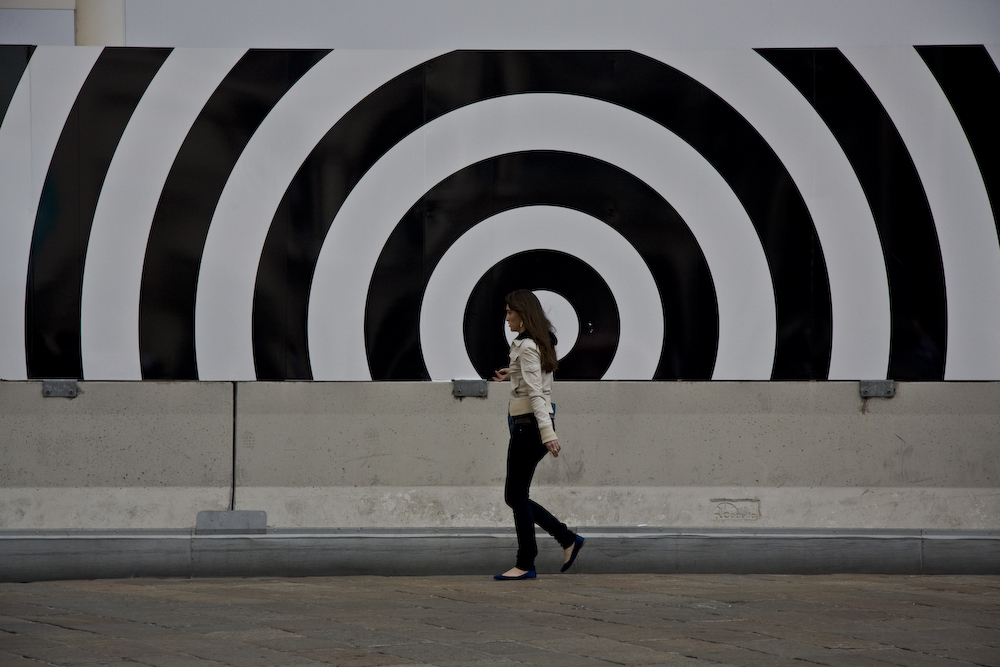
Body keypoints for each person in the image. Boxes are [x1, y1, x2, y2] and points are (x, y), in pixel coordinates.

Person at [491, 289, 585, 580]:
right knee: (516, 496)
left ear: (522, 313)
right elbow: (538, 379)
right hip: (528, 425)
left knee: (516, 496)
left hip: (530, 426)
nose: (506, 318)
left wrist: (547, 434)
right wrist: (513, 372)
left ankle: (528, 562)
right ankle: (565, 539)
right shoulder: (537, 343)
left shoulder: (528, 345)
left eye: (510, 312)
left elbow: (536, 392)